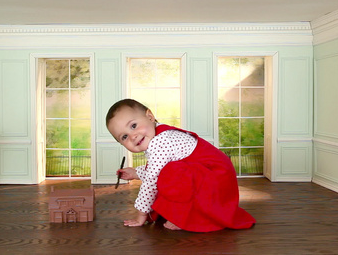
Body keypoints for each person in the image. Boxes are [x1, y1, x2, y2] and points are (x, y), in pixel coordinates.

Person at [106, 99, 256, 232]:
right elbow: (156, 169)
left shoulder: (161, 141)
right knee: (169, 173)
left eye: (133, 126)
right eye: (124, 137)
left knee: (172, 173)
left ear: (150, 116)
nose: (133, 136)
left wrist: (141, 214)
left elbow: (152, 180)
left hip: (216, 178)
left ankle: (187, 218)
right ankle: (184, 213)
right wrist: (135, 173)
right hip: (210, 176)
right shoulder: (158, 134)